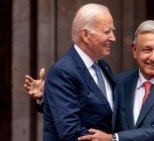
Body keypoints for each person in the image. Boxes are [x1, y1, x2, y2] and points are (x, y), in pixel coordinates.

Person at [25, 20, 154, 141]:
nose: (153, 57)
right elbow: (93, 113)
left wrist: (113, 139)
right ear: (134, 50)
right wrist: (50, 95)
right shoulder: (119, 81)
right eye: (147, 50)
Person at [25, 3, 118, 141]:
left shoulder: (104, 67)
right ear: (86, 35)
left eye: (112, 31)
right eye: (106, 32)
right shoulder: (63, 71)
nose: (113, 38)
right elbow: (71, 131)